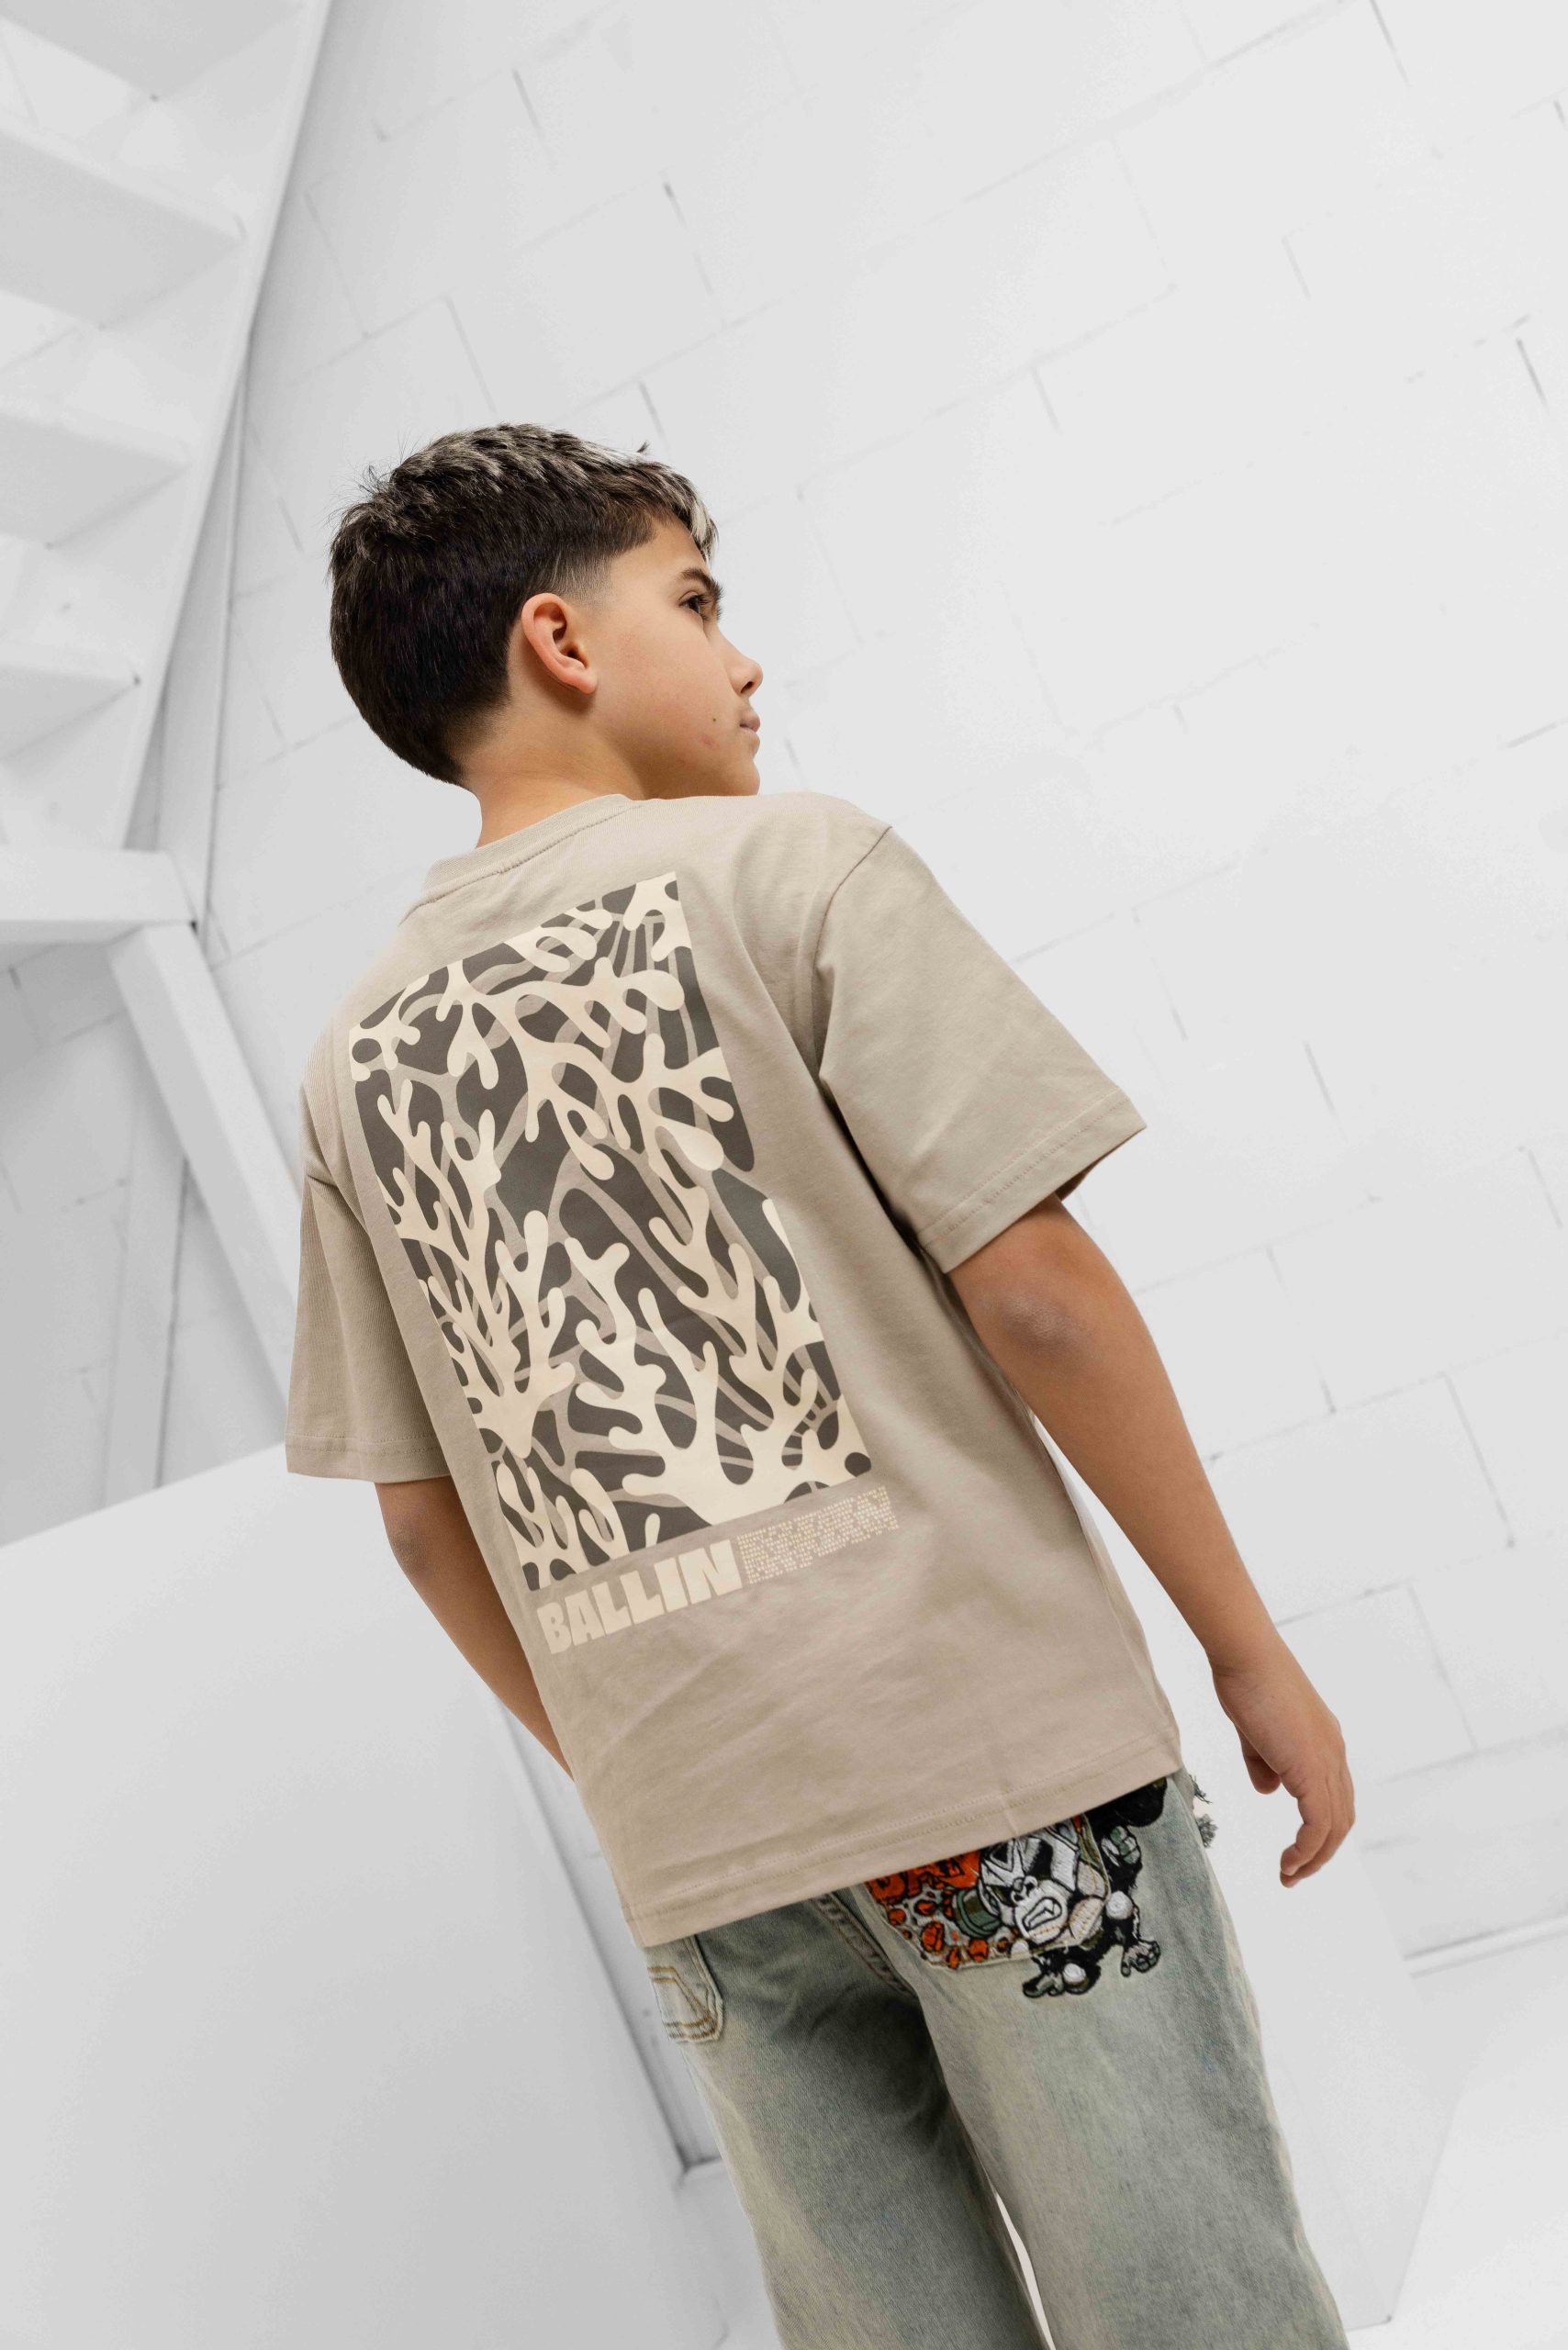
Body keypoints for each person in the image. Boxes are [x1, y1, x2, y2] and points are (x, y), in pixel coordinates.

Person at [286, 420, 1354, 2348]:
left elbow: (424, 1525)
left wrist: (642, 1772)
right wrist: (1245, 1644)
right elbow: (1036, 1295)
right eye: (697, 602)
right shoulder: (795, 867)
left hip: (701, 1838)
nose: (745, 656)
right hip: (988, 1761)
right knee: (1188, 2312)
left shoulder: (354, 1053)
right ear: (561, 641)